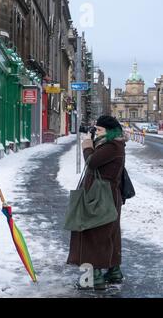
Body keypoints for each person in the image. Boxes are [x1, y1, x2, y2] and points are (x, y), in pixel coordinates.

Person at [67, 115, 126, 290]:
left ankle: (93, 278)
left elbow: (91, 162)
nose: (96, 132)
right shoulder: (112, 144)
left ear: (109, 131)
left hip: (101, 196)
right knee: (109, 233)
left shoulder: (112, 146)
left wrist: (86, 144)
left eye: (99, 130)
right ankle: (114, 271)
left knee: (93, 232)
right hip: (107, 195)